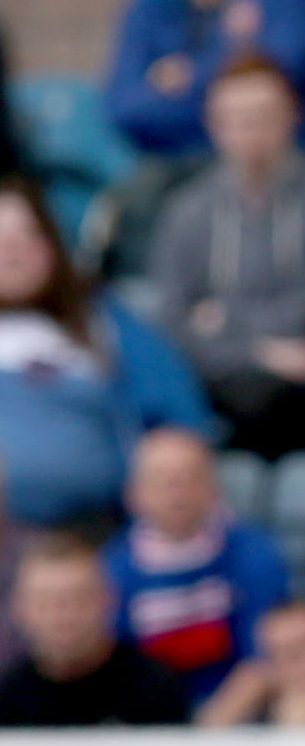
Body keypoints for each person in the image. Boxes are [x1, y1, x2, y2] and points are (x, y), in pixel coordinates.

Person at [149, 55, 305, 457]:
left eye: (265, 116)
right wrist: (260, 352)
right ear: (214, 125)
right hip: (224, 384)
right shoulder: (187, 211)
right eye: (238, 119)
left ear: (293, 115)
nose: (252, 133)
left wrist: (225, 321)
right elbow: (174, 320)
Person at [0, 174, 212, 530]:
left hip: (103, 532)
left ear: (54, 242)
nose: (14, 252)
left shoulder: (104, 320)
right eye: (1, 241)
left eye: (28, 235)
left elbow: (179, 416)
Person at [103, 426, 290, 705]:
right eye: (164, 481)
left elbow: (264, 654)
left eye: (191, 479)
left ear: (214, 487)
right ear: (134, 493)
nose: (178, 493)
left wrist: (211, 729)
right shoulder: (111, 568)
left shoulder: (255, 554)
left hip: (241, 719)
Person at [0, 533, 191, 727]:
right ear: (19, 608)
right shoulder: (5, 698)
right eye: (45, 602)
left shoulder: (155, 688)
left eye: (79, 598)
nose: (62, 614)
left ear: (108, 599)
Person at [105, 0, 305, 158]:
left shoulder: (284, 6)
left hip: (287, 160)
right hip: (175, 163)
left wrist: (191, 77)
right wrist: (241, 52)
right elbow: (126, 109)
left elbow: (281, 74)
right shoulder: (150, 9)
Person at [195, 598, 305, 725]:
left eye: (300, 653)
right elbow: (203, 741)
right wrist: (230, 706)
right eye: (275, 656)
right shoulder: (257, 697)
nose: (290, 668)